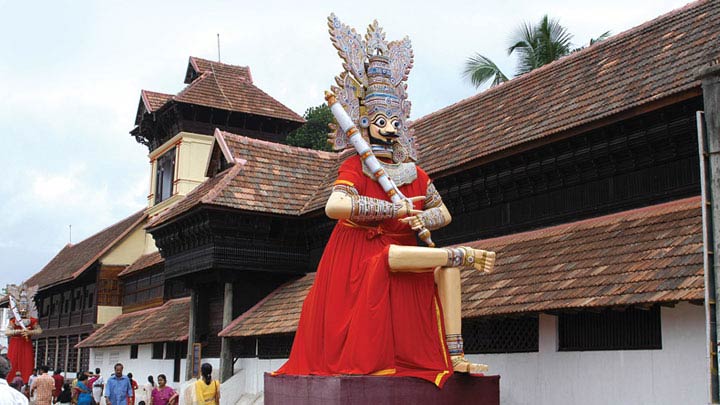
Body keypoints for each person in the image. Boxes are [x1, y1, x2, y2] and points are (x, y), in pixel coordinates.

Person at [274, 15, 494, 387]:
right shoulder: (356, 166)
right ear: (364, 121)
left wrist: (423, 220)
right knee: (407, 258)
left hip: (408, 248)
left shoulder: (414, 173)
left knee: (446, 268)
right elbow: (335, 207)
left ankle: (455, 355)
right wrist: (390, 209)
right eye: (381, 120)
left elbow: (444, 212)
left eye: (394, 120)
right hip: (362, 255)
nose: (390, 128)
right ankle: (461, 254)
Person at [4, 284, 43, 383]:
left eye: (25, 303)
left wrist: (30, 332)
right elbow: (7, 332)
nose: (23, 306)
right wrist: (18, 331)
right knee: (12, 362)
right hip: (15, 343)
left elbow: (39, 330)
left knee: (27, 363)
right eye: (21, 303)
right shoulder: (14, 320)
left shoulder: (32, 320)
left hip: (26, 343)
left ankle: (26, 382)